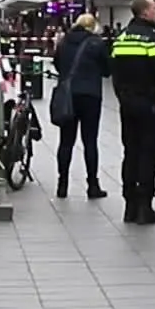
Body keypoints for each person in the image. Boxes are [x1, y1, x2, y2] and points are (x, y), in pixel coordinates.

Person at [109, 0, 155, 224]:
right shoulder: (153, 39)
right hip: (151, 105)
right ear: (145, 12)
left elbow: (116, 76)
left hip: (128, 105)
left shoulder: (121, 39)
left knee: (130, 153)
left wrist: (123, 98)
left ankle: (129, 206)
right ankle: (145, 207)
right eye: (154, 8)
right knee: (149, 155)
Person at [52, 13, 112, 200]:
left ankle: (62, 185)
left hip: (68, 96)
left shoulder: (63, 42)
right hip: (90, 96)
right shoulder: (96, 43)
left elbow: (57, 64)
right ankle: (92, 185)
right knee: (90, 141)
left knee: (66, 141)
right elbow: (107, 70)